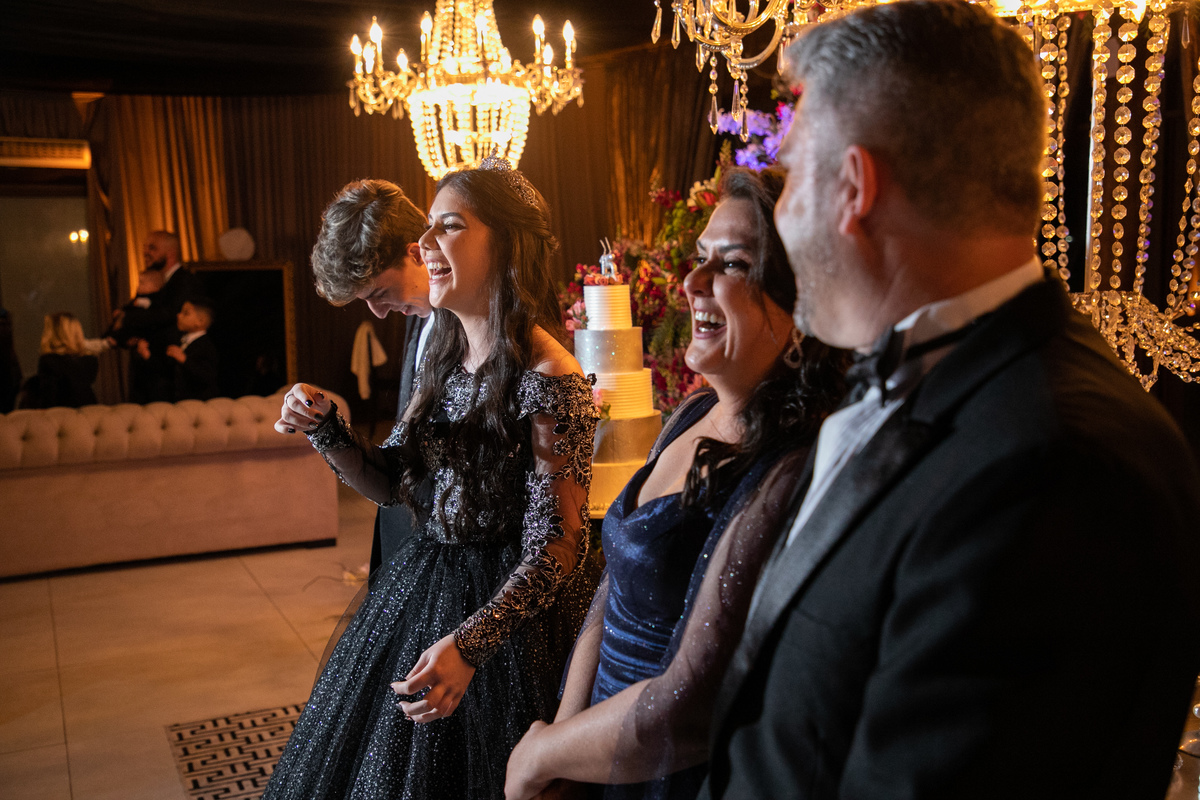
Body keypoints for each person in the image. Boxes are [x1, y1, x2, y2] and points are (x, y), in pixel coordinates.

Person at [702, 3, 1200, 799]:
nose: (780, 218)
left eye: (790, 179)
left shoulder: (1056, 468)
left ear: (854, 188)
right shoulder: (926, 377)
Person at [504, 167, 847, 800]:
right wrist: (563, 741)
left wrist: (537, 758)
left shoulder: (788, 467)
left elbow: (689, 706)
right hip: (596, 748)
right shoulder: (691, 411)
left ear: (802, 304)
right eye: (699, 257)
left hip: (670, 773)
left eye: (732, 264)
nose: (691, 282)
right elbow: (611, 586)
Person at [265, 156, 601, 799]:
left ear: (506, 243)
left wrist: (470, 644)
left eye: (448, 226)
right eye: (429, 228)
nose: (425, 244)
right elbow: (397, 481)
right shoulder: (445, 349)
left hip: (508, 627)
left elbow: (557, 548)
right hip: (431, 586)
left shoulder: (551, 378)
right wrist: (326, 427)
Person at [309, 179, 435, 582]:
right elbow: (404, 457)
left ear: (417, 253)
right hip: (404, 539)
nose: (378, 313)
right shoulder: (418, 316)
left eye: (379, 293)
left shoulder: (479, 325)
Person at [125, 230, 199, 402]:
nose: (145, 252)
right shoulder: (150, 281)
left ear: (170, 253)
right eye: (145, 247)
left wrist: (130, 318)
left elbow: (169, 315)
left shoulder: (185, 281)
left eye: (152, 248)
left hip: (167, 374)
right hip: (145, 375)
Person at [19, 312, 105, 408]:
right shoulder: (90, 359)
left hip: (61, 413)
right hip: (89, 410)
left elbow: (49, 396)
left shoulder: (49, 360)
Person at [166, 299, 219, 400]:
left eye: (186, 313)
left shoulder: (206, 346)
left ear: (200, 321)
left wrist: (184, 360)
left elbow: (207, 376)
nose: (179, 315)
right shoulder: (180, 339)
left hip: (197, 401)